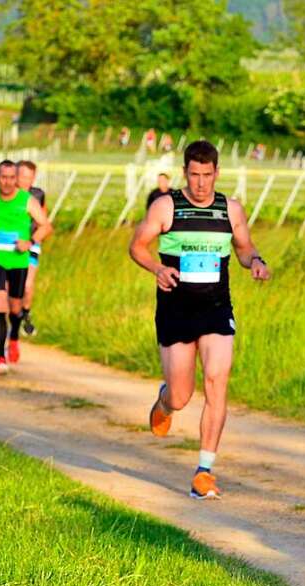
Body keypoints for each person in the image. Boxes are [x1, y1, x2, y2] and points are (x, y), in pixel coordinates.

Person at [129, 140, 271, 500]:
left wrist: (256, 261)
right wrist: (158, 268)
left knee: (216, 379)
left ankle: (204, 470)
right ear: (185, 173)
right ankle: (164, 402)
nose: (201, 183)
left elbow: (243, 248)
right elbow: (137, 246)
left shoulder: (230, 209)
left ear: (217, 173)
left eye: (207, 175)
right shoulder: (167, 206)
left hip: (216, 308)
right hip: (176, 309)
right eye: (195, 175)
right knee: (181, 395)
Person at [0, 160, 52, 374]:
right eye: (3, 177)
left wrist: (30, 242)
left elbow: (45, 225)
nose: (7, 182)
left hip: (18, 259)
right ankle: (0, 358)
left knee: (15, 307)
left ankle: (14, 336)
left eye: (11, 178)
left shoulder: (27, 200)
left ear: (16, 179)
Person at [16, 160, 47, 337]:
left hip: (31, 244)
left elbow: (45, 220)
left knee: (27, 285)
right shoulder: (7, 195)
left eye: (29, 177)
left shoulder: (38, 194)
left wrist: (35, 237)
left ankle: (25, 315)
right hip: (10, 246)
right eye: (22, 176)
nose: (25, 181)